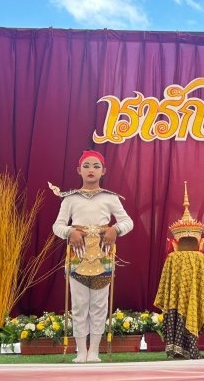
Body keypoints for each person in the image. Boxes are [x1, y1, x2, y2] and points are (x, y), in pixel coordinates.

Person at [52, 150, 133, 363]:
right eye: (86, 166)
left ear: (103, 171)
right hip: (78, 256)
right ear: (79, 170)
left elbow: (128, 221)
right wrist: (70, 232)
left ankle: (94, 350)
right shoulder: (70, 199)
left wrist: (115, 229)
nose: (91, 170)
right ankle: (80, 351)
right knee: (79, 304)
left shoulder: (110, 197)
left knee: (99, 303)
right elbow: (57, 226)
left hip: (102, 255)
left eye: (96, 166)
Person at [154, 182, 204, 359]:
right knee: (185, 309)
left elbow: (201, 281)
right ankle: (181, 350)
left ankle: (184, 350)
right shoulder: (186, 258)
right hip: (179, 296)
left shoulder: (188, 258)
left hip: (187, 295)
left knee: (188, 309)